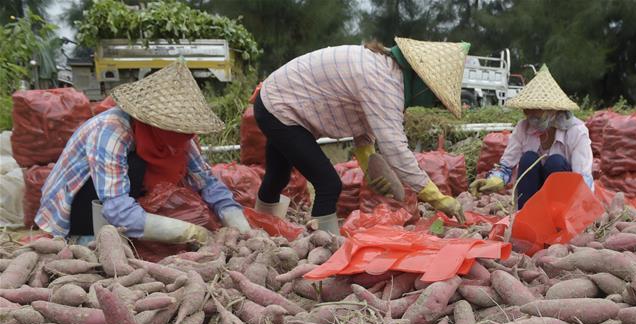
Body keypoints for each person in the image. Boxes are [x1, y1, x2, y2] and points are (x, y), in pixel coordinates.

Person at [253, 38, 469, 234]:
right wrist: (437, 198)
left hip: (274, 100)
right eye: (433, 98)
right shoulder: (385, 84)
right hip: (281, 109)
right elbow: (396, 149)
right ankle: (322, 247)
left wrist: (369, 166)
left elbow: (363, 124)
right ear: (423, 85)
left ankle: (262, 230)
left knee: (278, 174)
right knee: (328, 184)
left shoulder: (384, 69)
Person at [36, 62, 249, 244]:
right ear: (151, 119)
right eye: (173, 127)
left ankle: (132, 229)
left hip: (118, 199)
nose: (181, 136)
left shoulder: (179, 136)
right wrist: (190, 232)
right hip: (78, 204)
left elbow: (207, 182)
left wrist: (236, 220)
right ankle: (87, 239)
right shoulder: (111, 130)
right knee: (137, 166)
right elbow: (116, 208)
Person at [469, 66, 593, 209]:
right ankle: (527, 214)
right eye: (527, 110)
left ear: (554, 110)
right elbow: (506, 167)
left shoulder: (576, 132)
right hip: (531, 194)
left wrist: (581, 210)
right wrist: (493, 180)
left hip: (564, 200)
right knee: (529, 158)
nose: (529, 114)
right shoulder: (523, 128)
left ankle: (556, 218)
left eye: (536, 109)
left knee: (556, 162)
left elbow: (583, 179)